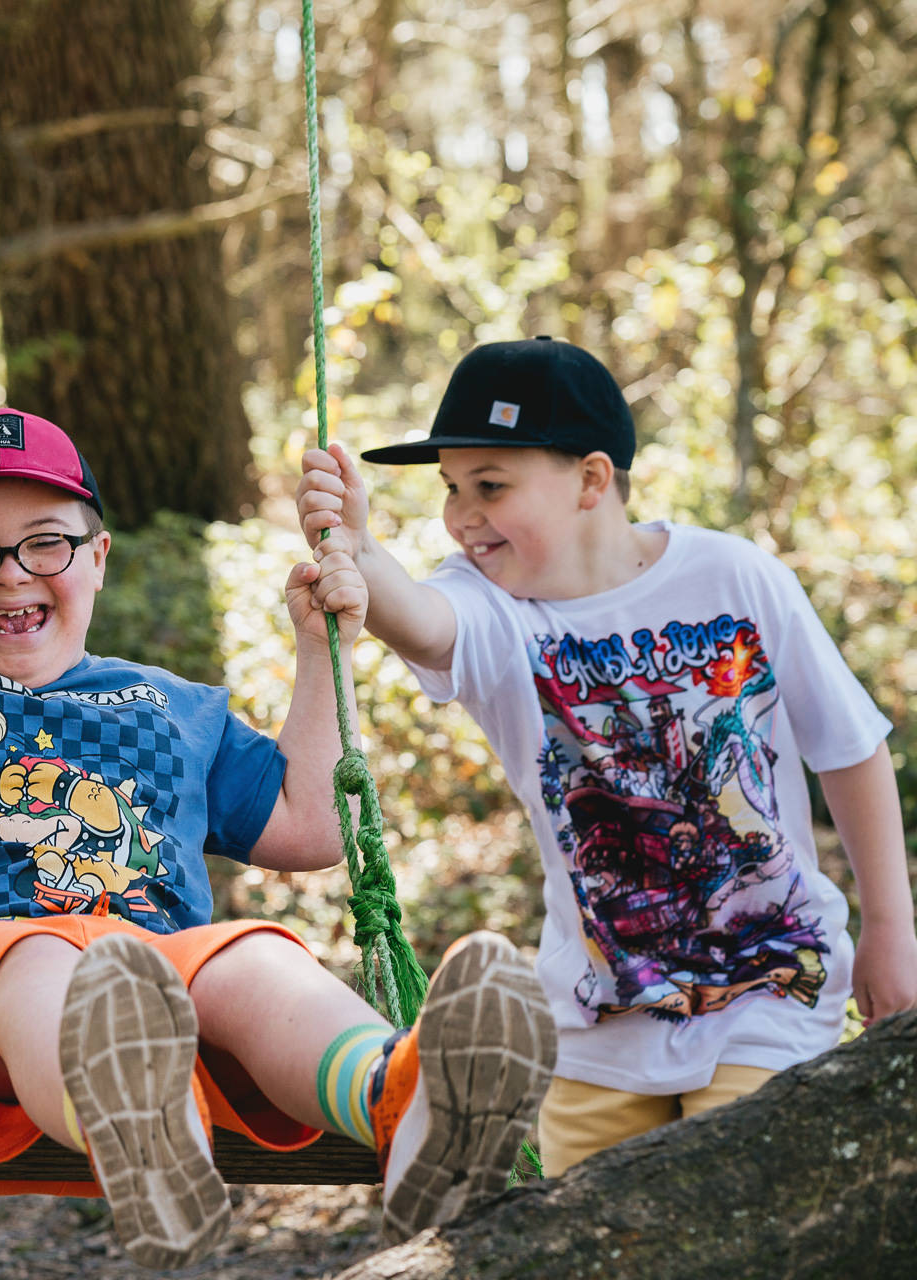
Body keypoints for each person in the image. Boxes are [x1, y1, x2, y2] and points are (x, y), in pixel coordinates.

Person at [0, 406, 559, 1267]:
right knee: (46, 963)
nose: (10, 572)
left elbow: (310, 826)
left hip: (158, 994)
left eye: (45, 542)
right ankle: (135, 1130)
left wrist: (324, 650)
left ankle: (408, 1102)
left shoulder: (174, 706)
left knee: (253, 959)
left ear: (96, 559)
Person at [295, 336, 917, 1177]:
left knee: (728, 1197)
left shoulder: (734, 578)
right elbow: (422, 617)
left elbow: (849, 747)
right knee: (593, 1232)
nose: (462, 514)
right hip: (596, 1019)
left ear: (592, 480)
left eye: (491, 485)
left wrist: (889, 927)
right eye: (450, 488)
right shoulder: (492, 608)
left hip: (771, 987)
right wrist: (361, 553)